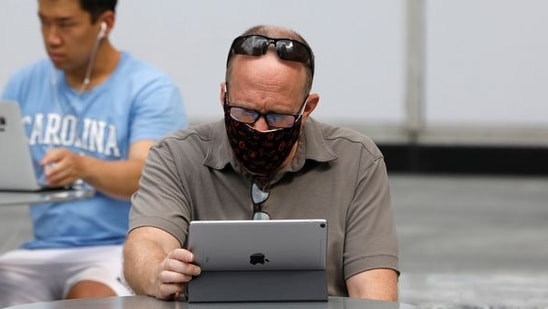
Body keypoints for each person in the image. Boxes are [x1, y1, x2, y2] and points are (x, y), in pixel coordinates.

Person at [123, 25, 399, 301]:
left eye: (278, 117)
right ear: (223, 97)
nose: (260, 128)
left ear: (308, 108)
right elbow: (147, 243)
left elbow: (372, 289)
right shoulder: (176, 155)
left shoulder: (357, 160)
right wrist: (158, 272)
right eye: (245, 112)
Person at [0, 0, 187, 306]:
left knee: (88, 299)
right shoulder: (23, 84)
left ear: (105, 23)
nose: (51, 38)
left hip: (115, 249)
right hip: (39, 251)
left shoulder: (149, 89)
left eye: (65, 24)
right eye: (44, 22)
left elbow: (147, 176)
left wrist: (84, 167)